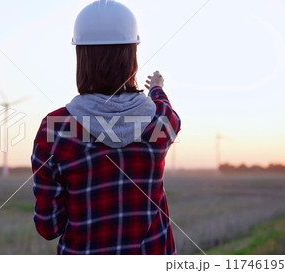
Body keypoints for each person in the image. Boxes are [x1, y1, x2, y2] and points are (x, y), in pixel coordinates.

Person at [31, 0, 181, 254]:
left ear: (81, 57)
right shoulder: (159, 121)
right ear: (132, 56)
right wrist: (156, 88)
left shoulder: (54, 129)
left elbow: (49, 227)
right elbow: (167, 112)